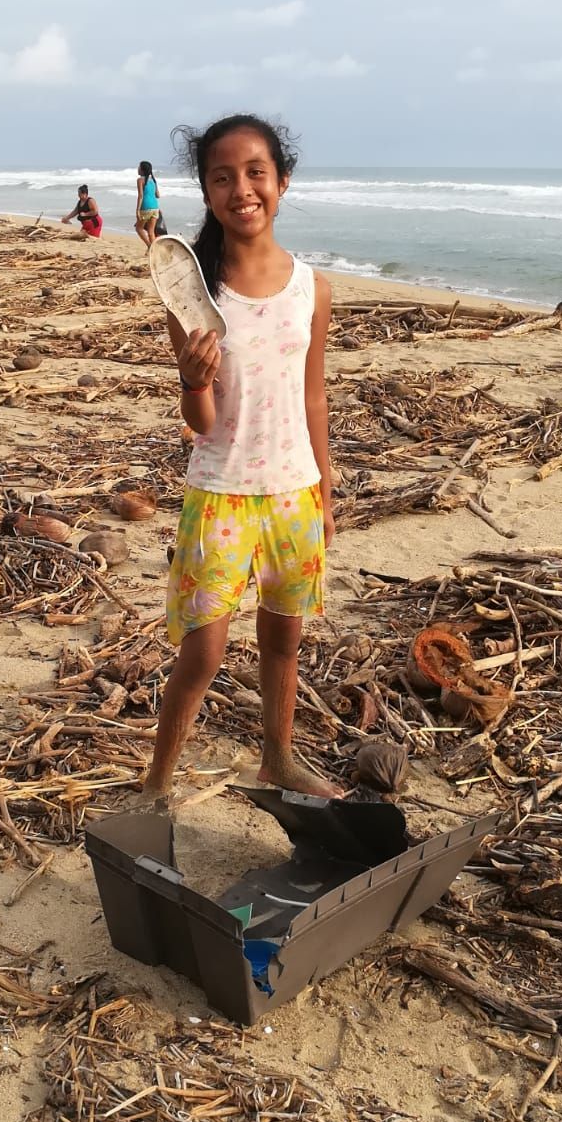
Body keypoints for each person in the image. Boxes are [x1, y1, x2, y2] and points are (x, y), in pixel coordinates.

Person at [141, 113, 337, 802]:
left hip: (294, 493)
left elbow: (313, 398)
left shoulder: (312, 288)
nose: (241, 188)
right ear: (207, 191)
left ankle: (277, 760)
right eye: (222, 177)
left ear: (282, 182)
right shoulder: (195, 293)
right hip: (221, 490)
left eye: (256, 172)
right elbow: (201, 422)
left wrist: (326, 493)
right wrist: (193, 379)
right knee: (204, 652)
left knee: (284, 641)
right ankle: (157, 783)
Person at [135, 159, 160, 248]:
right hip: (155, 207)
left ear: (142, 169)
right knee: (151, 232)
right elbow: (158, 195)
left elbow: (140, 196)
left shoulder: (140, 180)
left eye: (139, 167)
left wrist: (137, 210)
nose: (137, 169)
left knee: (139, 228)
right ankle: (154, 250)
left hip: (146, 207)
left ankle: (149, 246)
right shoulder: (153, 180)